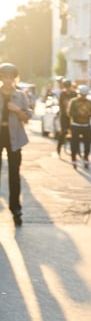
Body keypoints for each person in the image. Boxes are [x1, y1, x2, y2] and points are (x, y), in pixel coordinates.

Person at [0, 63, 32, 226]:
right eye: (4, 76)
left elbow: (27, 117)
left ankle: (16, 208)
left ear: (14, 78)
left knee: (14, 175)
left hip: (15, 138)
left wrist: (17, 110)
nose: (7, 80)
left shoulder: (20, 96)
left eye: (10, 77)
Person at [68, 85, 91, 169]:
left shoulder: (89, 102)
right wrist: (79, 114)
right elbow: (70, 113)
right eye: (82, 94)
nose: (83, 96)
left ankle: (86, 157)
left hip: (86, 125)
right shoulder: (73, 101)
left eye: (85, 95)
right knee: (74, 143)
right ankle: (73, 158)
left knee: (87, 143)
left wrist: (88, 114)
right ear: (78, 93)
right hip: (76, 125)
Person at [56, 79, 76, 156]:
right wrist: (61, 112)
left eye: (68, 87)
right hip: (64, 115)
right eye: (66, 87)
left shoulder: (74, 94)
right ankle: (59, 146)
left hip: (72, 116)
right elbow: (60, 105)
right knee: (64, 132)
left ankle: (75, 149)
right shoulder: (62, 94)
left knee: (74, 133)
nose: (67, 89)